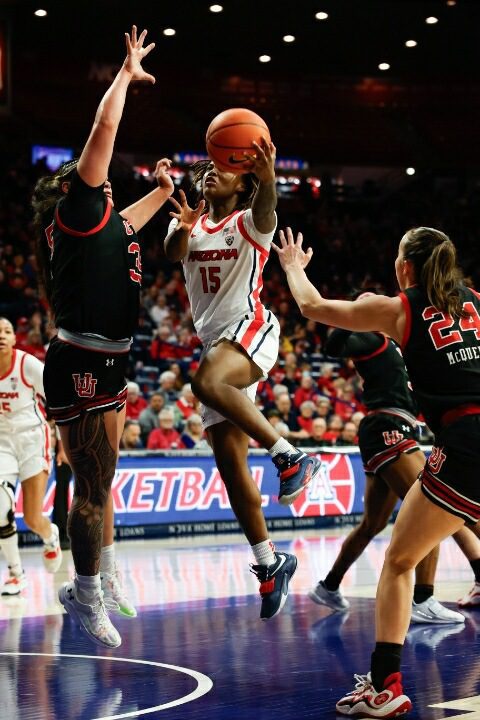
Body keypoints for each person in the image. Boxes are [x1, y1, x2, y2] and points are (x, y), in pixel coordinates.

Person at [274, 225, 480, 716]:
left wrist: (292, 267)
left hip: (466, 440)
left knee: (400, 559)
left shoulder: (398, 308)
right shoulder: (475, 300)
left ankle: (386, 687)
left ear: (404, 265)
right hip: (458, 435)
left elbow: (312, 307)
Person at [31, 26, 174, 648]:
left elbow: (133, 218)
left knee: (102, 482)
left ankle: (104, 573)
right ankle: (81, 592)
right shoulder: (78, 211)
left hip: (112, 362)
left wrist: (165, 194)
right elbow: (103, 134)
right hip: (83, 358)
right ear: (73, 189)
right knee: (90, 486)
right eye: (95, 178)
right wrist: (124, 75)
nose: (107, 183)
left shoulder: (108, 223)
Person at [164, 141, 321, 620]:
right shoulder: (188, 220)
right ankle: (271, 563)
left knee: (204, 382)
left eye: (223, 169)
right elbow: (173, 253)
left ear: (243, 181)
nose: (212, 173)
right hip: (218, 345)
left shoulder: (251, 221)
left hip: (251, 329)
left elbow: (269, 205)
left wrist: (269, 177)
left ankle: (291, 455)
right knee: (232, 473)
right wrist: (184, 226)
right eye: (208, 168)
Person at [309, 313, 465, 625]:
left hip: (390, 428)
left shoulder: (396, 343)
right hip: (388, 426)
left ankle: (329, 585)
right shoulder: (373, 337)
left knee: (373, 524)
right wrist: (347, 319)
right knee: (432, 505)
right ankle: (422, 598)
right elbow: (333, 346)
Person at [0, 317, 62, 595]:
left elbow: (58, 399)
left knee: (33, 519)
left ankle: (50, 537)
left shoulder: (27, 364)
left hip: (32, 440)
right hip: (2, 444)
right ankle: (15, 574)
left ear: (15, 338)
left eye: (7, 331)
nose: (2, 335)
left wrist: (64, 444)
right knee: (0, 511)